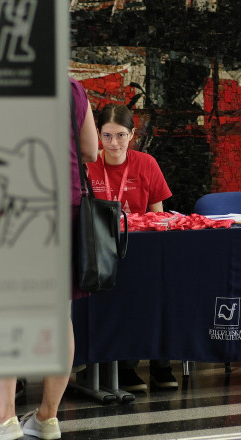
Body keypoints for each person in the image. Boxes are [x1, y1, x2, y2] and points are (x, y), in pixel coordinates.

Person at [0, 78, 98, 440]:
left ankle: (4, 419)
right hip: (66, 211)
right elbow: (91, 150)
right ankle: (46, 418)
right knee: (60, 316)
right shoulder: (73, 89)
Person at [85, 103, 175, 392]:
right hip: (100, 251)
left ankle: (161, 364)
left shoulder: (146, 163)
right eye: (108, 136)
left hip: (140, 248)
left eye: (121, 135)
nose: (114, 143)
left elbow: (158, 215)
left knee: (159, 291)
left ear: (133, 134)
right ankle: (124, 367)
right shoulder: (87, 167)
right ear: (97, 134)